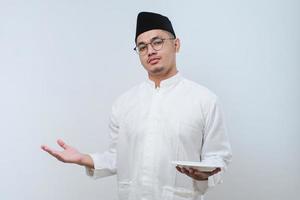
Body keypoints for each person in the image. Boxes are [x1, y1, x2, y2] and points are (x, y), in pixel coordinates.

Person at [41, 11, 232, 200]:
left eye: (157, 42)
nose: (150, 51)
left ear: (176, 44)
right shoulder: (124, 103)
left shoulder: (204, 100)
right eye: (142, 47)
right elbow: (118, 157)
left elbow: (217, 156)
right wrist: (84, 159)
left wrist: (206, 173)